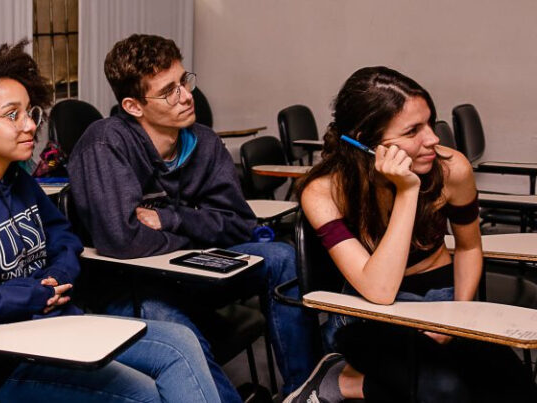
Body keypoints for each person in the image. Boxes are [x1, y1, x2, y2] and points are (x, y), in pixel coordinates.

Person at [0, 38, 220, 403]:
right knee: (141, 393)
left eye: (30, 112)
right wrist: (29, 294)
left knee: (178, 343)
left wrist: (59, 274)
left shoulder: (17, 179)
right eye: (12, 115)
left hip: (55, 328)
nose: (31, 126)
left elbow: (63, 237)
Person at [68, 33, 317, 401]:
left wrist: (171, 220)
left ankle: (305, 389)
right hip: (133, 285)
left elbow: (240, 224)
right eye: (169, 90)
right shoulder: (106, 142)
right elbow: (124, 241)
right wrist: (202, 228)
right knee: (163, 312)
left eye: (185, 81)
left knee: (281, 256)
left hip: (194, 271)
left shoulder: (203, 141)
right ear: (134, 106)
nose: (186, 95)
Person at [285, 66, 537, 403]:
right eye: (413, 130)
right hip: (368, 311)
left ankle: (350, 383)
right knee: (444, 390)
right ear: (364, 142)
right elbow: (380, 289)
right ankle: (340, 377)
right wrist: (407, 192)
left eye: (430, 123)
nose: (432, 139)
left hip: (443, 299)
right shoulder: (323, 192)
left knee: (516, 387)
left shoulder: (452, 169)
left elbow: (467, 248)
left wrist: (459, 318)